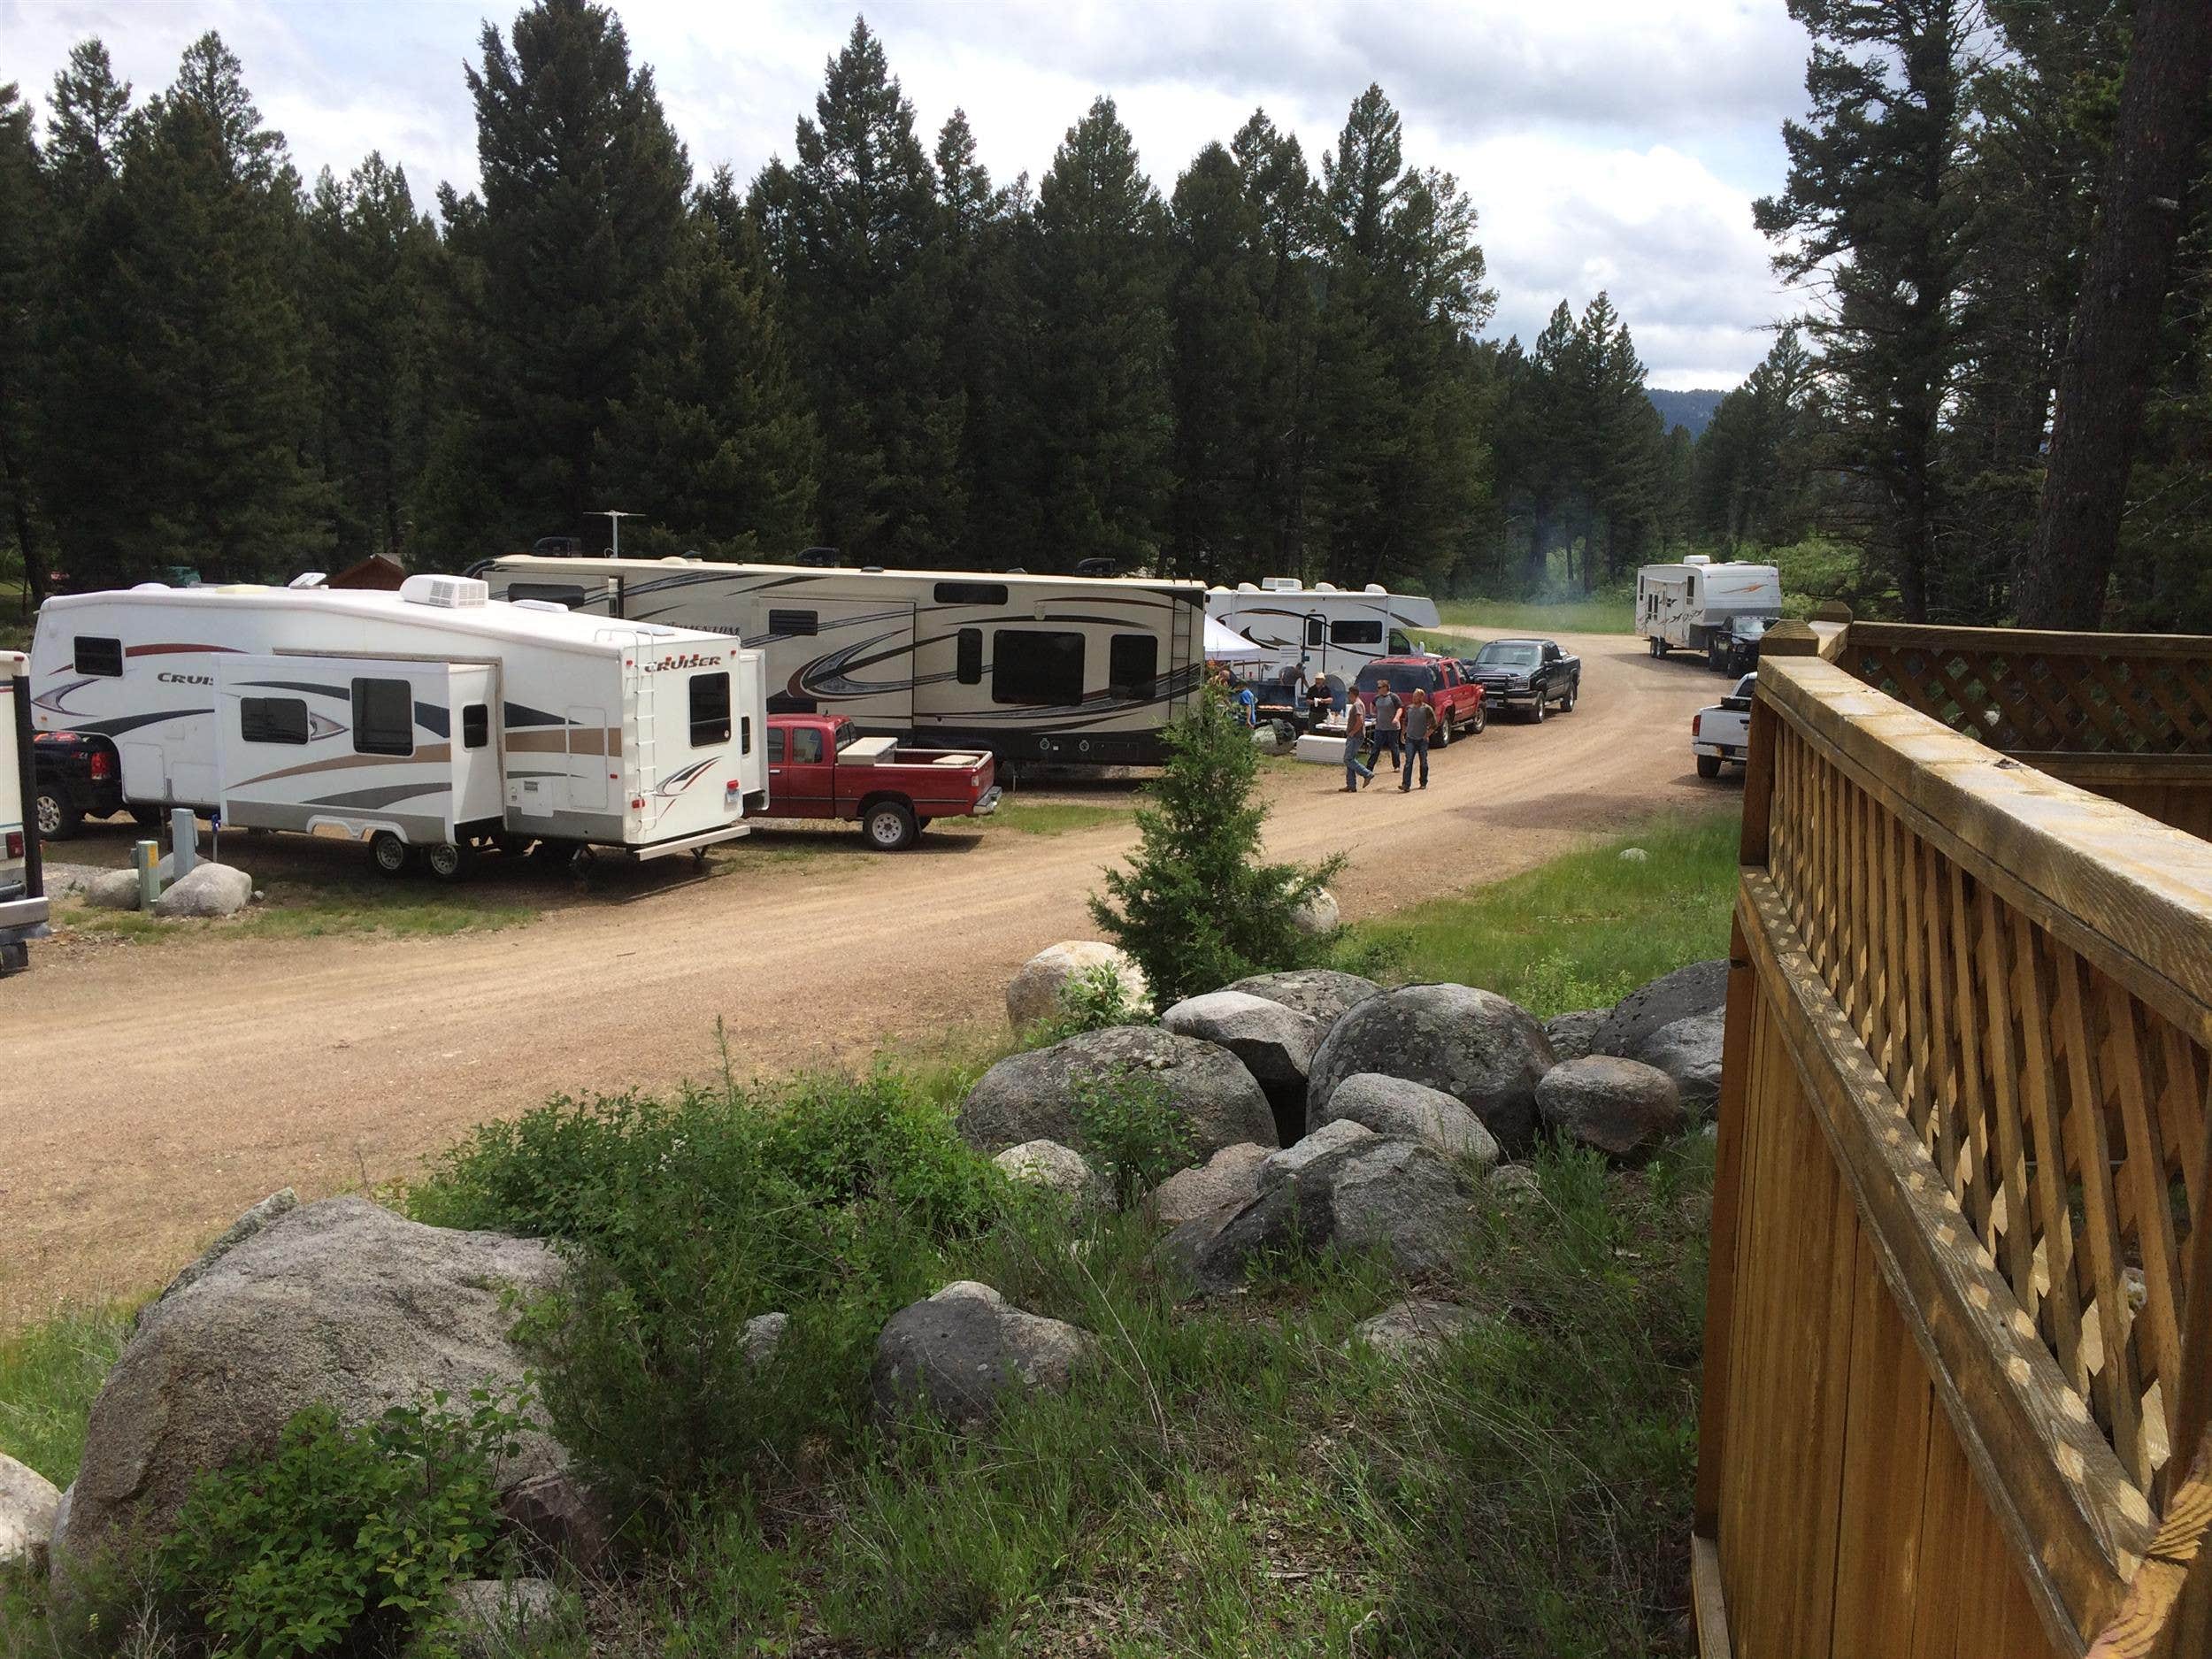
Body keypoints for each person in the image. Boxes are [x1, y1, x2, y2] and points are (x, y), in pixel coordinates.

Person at [1400, 687, 1435, 791]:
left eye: (1416, 696)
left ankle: (1423, 782)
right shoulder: (1409, 708)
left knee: (1423, 762)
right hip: (1410, 738)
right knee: (1408, 762)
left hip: (1422, 740)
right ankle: (1406, 784)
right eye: (1413, 696)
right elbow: (1406, 723)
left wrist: (1426, 735)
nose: (1413, 698)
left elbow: (1434, 724)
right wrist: (1402, 734)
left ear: (1421, 697)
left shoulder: (1427, 709)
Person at [1366, 680, 1403, 771]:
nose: (1378, 689)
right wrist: (1372, 712)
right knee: (1376, 747)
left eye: (1379, 687)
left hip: (1392, 728)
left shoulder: (1393, 697)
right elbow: (1372, 703)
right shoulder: (1377, 698)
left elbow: (1400, 708)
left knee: (1393, 746)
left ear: (1385, 687)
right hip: (1380, 727)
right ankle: (1369, 767)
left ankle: (1396, 766)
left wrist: (1396, 718)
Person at [1340, 698, 1375, 791]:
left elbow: (1360, 721)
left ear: (1351, 694)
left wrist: (1353, 732)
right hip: (1356, 736)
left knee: (1348, 759)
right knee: (1351, 759)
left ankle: (1367, 774)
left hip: (1355, 736)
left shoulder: (1357, 705)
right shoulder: (1360, 704)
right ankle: (1351, 785)